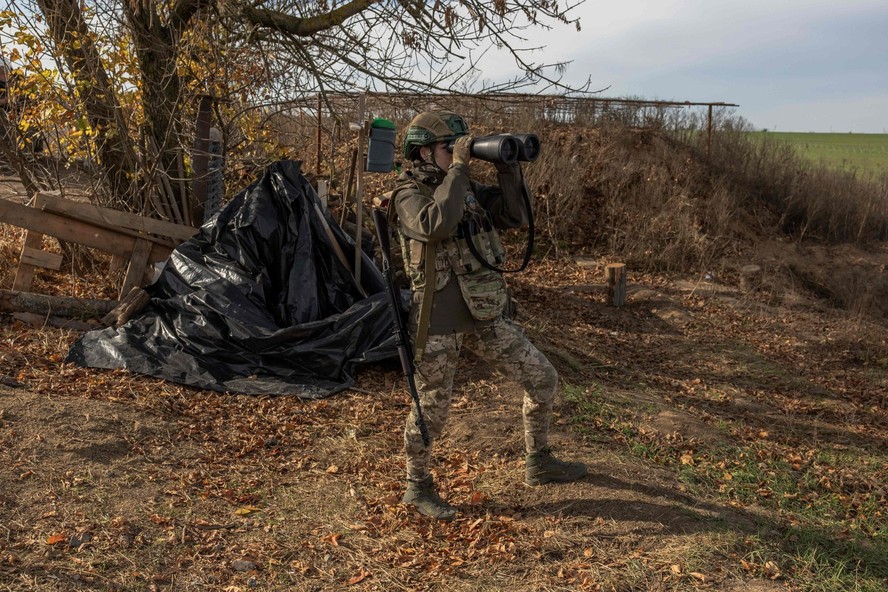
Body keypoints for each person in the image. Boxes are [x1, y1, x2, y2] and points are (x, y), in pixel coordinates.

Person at [388, 111, 587, 521]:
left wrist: (507, 169)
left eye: (460, 147)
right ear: (424, 151)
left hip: (485, 313)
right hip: (437, 321)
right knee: (431, 411)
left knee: (542, 377)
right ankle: (417, 486)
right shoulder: (408, 195)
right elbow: (436, 224)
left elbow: (513, 217)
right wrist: (459, 170)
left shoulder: (465, 189)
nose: (458, 153)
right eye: (449, 147)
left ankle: (540, 460)